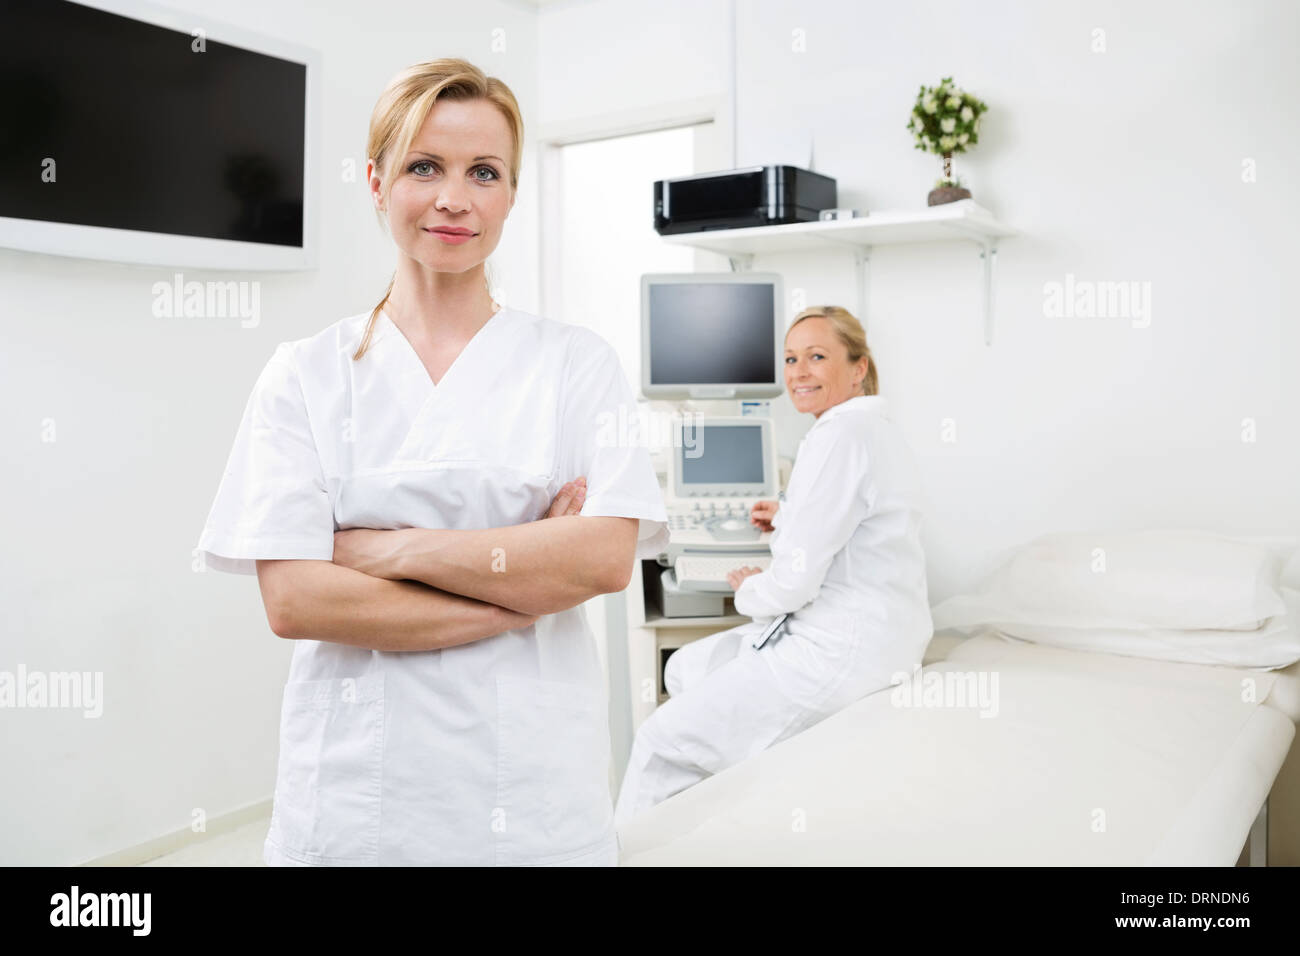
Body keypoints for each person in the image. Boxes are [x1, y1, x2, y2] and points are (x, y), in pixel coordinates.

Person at [195, 58, 668, 866]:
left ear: (511, 194)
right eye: (425, 166)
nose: (455, 197)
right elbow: (298, 600)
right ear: (377, 182)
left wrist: (380, 549)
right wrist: (521, 591)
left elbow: (603, 556)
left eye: (484, 172)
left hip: (531, 801)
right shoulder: (305, 374)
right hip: (354, 804)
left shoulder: (576, 366)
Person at [613, 306, 932, 826]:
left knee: (658, 742)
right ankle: (720, 816)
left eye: (817, 356)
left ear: (858, 367)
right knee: (683, 668)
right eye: (790, 358)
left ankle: (626, 851)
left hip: (838, 651)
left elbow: (793, 586)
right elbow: (855, 522)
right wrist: (788, 518)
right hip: (888, 638)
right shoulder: (875, 431)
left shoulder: (837, 438)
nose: (799, 372)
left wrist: (748, 589)